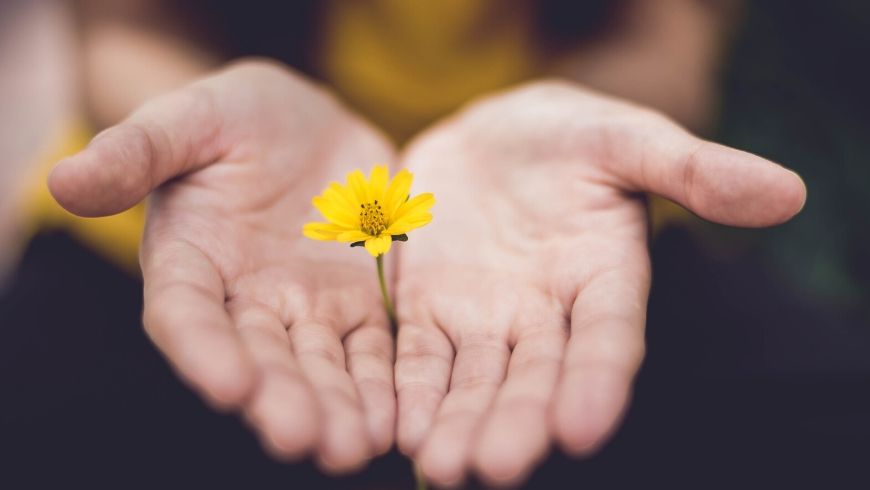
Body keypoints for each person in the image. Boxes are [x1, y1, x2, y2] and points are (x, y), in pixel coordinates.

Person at [5, 1, 826, 488]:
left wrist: (574, 120)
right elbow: (115, 25)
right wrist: (194, 123)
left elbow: (669, 36)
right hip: (213, 227)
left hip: (560, 233)